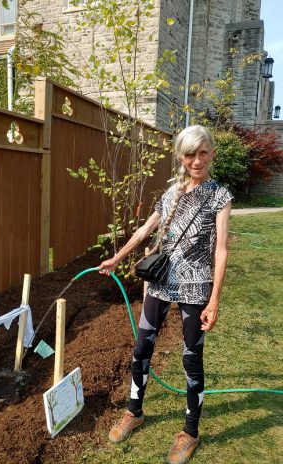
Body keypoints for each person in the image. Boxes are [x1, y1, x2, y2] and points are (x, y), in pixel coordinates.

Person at [98, 125, 232, 464]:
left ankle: (190, 431)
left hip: (197, 285)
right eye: (190, 154)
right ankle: (134, 411)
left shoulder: (220, 196)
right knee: (142, 345)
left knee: (191, 356)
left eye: (203, 152)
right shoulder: (171, 193)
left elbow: (221, 251)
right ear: (181, 157)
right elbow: (144, 229)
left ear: (212, 153)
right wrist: (117, 258)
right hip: (161, 282)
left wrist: (214, 300)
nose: (197, 160)